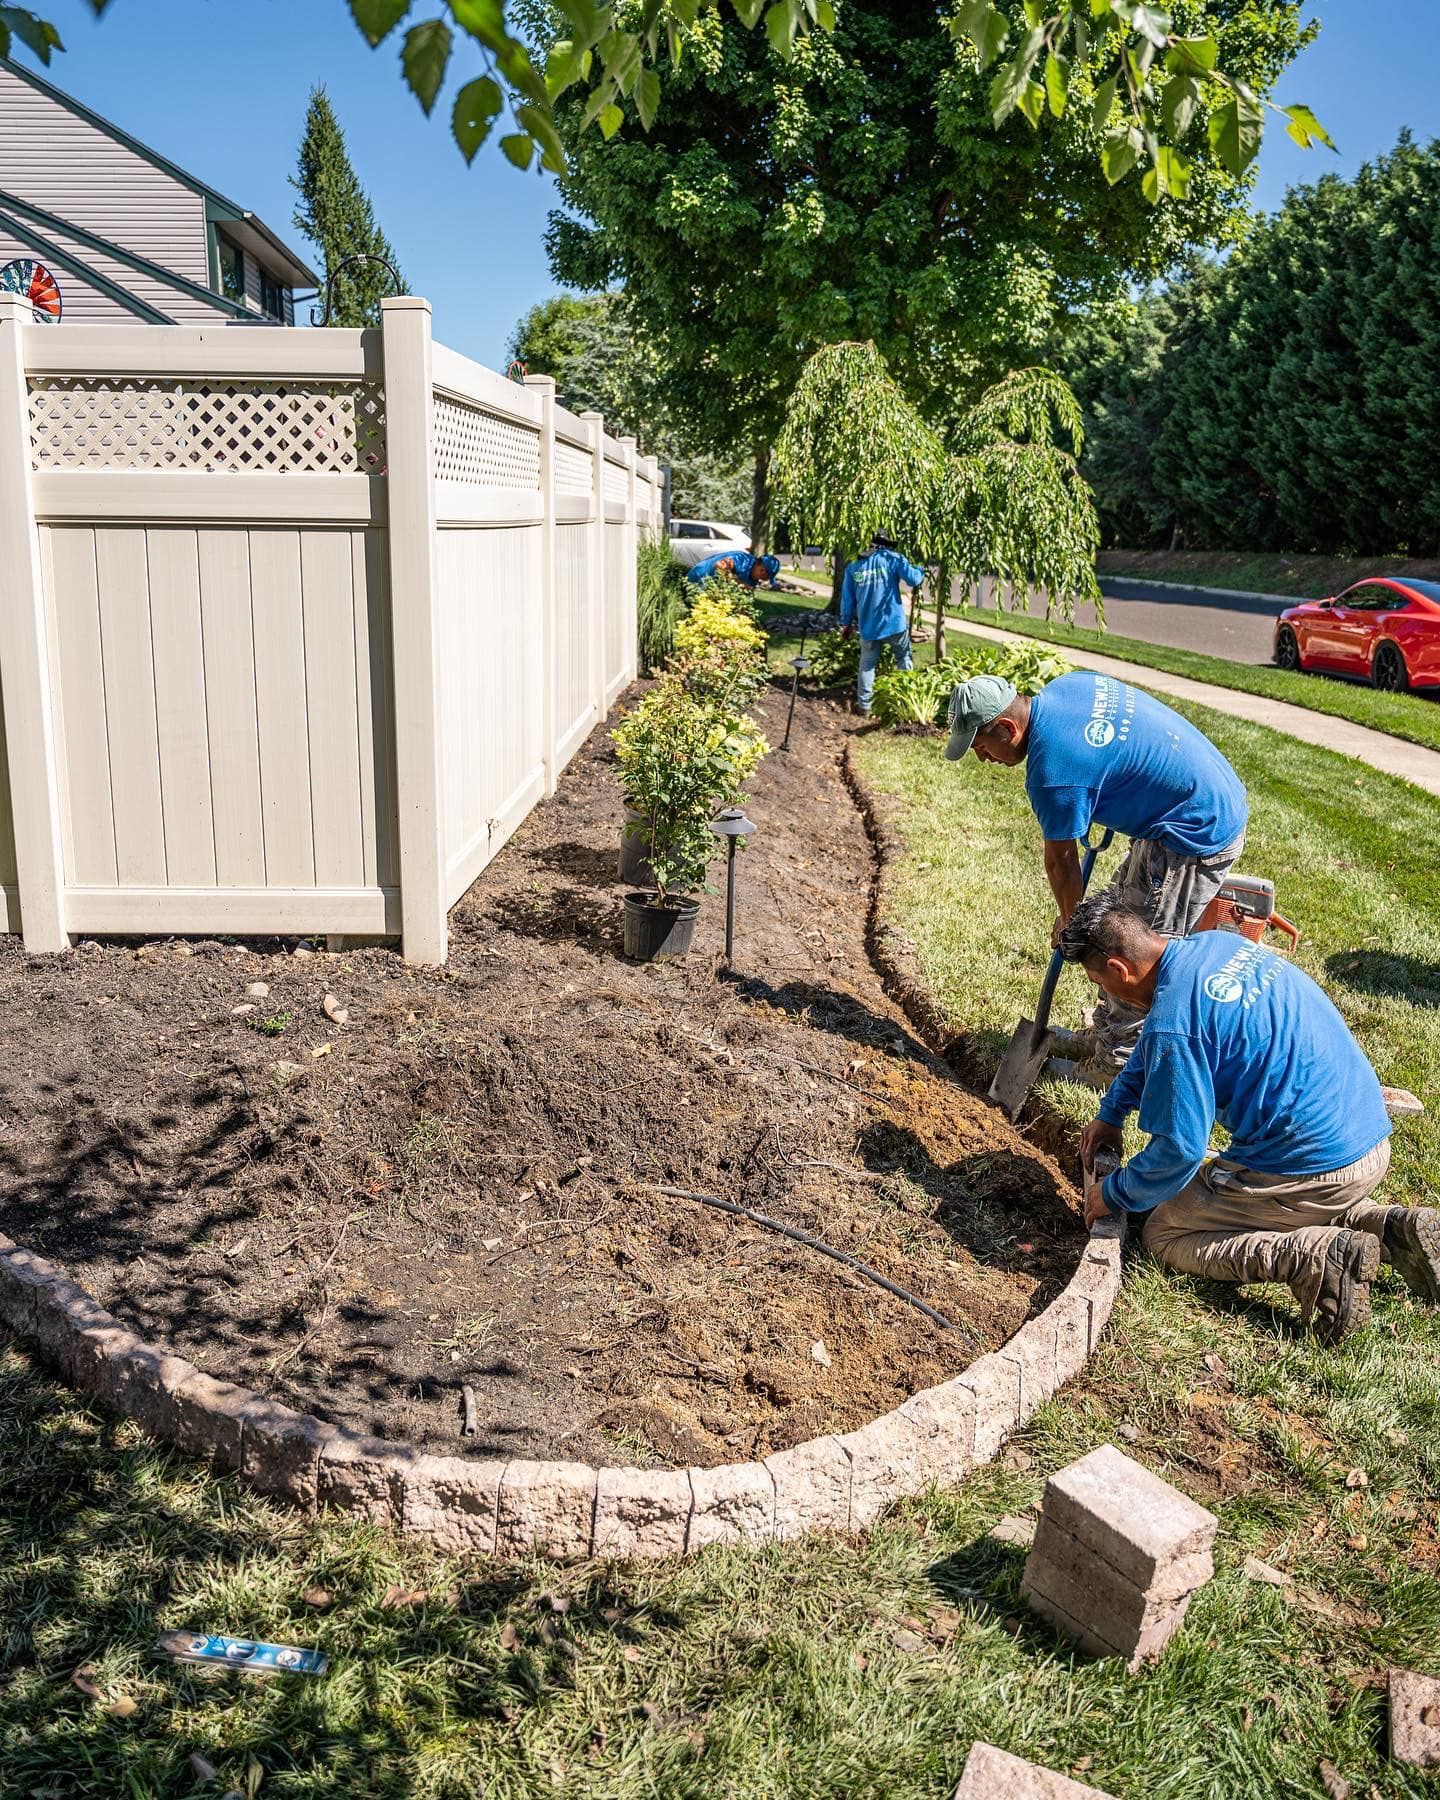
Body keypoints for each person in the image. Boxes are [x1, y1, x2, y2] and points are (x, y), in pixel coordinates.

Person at [1060, 893, 1440, 1344]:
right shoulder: (1214, 946)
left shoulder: (1175, 1025)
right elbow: (1157, 1044)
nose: (1104, 993)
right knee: (1250, 1190)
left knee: (1166, 1230)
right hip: (1366, 1136)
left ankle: (1313, 1257)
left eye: (1098, 981)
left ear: (1119, 971)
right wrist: (1113, 1111)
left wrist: (1115, 1194)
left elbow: (1179, 1151)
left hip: (1316, 1164)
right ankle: (1388, 1226)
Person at [945, 669, 1248, 1073]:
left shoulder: (1053, 772)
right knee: (1116, 921)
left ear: (1006, 726)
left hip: (1196, 829)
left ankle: (1116, 1063)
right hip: (1188, 800)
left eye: (981, 746)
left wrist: (1073, 928)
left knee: (1131, 949)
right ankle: (1105, 1033)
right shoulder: (1067, 687)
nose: (983, 758)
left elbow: (1061, 861)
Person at [839, 531, 926, 715]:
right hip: (894, 624)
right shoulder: (893, 559)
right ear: (885, 545)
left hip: (868, 627)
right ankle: (905, 699)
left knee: (867, 665)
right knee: (903, 658)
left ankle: (865, 707)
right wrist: (919, 569)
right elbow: (914, 579)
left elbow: (847, 600)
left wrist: (845, 623)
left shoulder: (855, 568)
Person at [686, 549, 781, 589]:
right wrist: (739, 582)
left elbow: (746, 592)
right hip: (698, 578)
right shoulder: (741, 560)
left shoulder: (753, 577)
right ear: (762, 570)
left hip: (711, 586)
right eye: (766, 577)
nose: (764, 580)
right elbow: (719, 565)